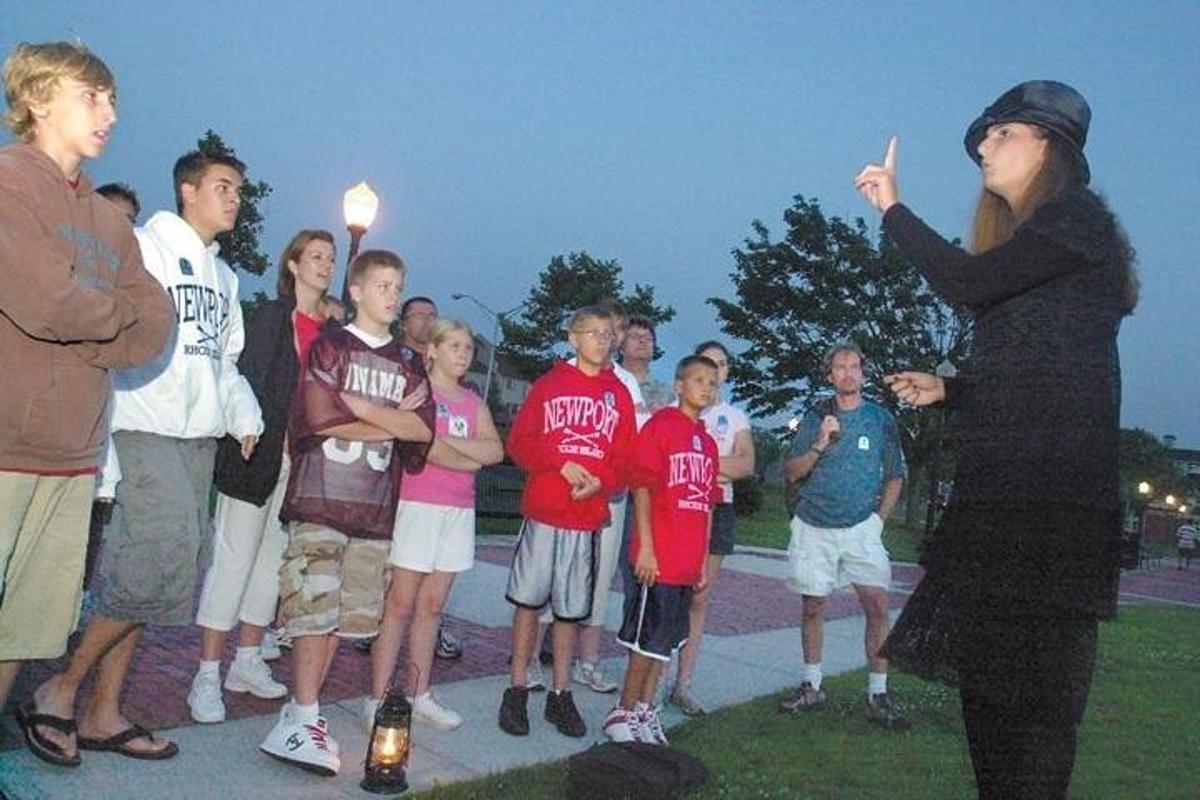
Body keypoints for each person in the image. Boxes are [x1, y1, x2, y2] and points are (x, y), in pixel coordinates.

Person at [856, 80, 1138, 797]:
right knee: (991, 709)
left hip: (1050, 519)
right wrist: (954, 388)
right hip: (1001, 507)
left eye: (1003, 133)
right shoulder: (1043, 250)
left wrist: (893, 208)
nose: (984, 145)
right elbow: (1047, 381)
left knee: (1035, 724)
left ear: (1053, 148)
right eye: (985, 136)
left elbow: (965, 281)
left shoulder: (1079, 222)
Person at [29, 147, 262, 763]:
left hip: (198, 439)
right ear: (187, 190)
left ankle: (105, 712)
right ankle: (62, 687)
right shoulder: (143, 246)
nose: (235, 198)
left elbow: (224, 359)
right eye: (223, 186)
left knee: (165, 573)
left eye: (239, 189)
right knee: (156, 557)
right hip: (145, 424)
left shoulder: (226, 277)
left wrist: (244, 414)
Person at [0, 41, 173, 767]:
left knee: (22, 628)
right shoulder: (10, 183)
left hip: (74, 457)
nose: (110, 113)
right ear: (37, 100)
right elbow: (41, 300)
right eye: (91, 97)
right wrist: (107, 320)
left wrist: (92, 326)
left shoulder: (108, 222)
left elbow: (157, 320)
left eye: (112, 101)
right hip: (4, 445)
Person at [259, 249, 434, 775]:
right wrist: (388, 420)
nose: (391, 295)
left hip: (373, 510)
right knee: (312, 613)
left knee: (342, 621)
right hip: (321, 498)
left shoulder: (407, 361)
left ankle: (299, 712)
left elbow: (424, 431)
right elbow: (317, 417)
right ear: (355, 290)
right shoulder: (330, 346)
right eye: (381, 285)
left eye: (397, 286)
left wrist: (355, 407)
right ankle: (305, 716)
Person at [187, 230, 337, 724]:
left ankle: (247, 660)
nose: (325, 265)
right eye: (315, 256)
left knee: (270, 566)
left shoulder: (332, 333)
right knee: (233, 560)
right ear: (292, 265)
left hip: (301, 467)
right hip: (258, 456)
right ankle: (207, 672)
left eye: (331, 259)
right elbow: (246, 379)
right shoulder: (271, 318)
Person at [499, 305, 636, 739]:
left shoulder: (618, 395)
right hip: (544, 510)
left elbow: (627, 461)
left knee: (570, 612)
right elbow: (520, 443)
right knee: (528, 602)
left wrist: (600, 480)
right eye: (590, 332)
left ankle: (561, 693)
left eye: (605, 333)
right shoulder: (549, 385)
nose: (600, 339)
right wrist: (558, 462)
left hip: (586, 516)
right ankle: (517, 687)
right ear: (572, 338)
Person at [365, 319, 503, 731]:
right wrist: (465, 454)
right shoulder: (418, 393)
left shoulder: (472, 401)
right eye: (454, 346)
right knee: (400, 605)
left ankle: (419, 693)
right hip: (417, 506)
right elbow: (420, 447)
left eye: (467, 348)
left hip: (458, 512)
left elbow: (494, 451)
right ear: (433, 350)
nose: (463, 353)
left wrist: (450, 447)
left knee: (432, 607)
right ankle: (377, 697)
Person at [777, 343, 908, 729]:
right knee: (813, 606)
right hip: (814, 525)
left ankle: (878, 695)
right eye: (840, 367)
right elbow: (792, 472)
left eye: (854, 366)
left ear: (863, 372)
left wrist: (878, 522)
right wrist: (820, 441)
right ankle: (812, 686)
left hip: (860, 530)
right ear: (830, 375)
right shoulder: (814, 417)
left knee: (877, 607)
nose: (848, 373)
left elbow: (895, 474)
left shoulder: (881, 419)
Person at [603, 355, 721, 745]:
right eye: (698, 380)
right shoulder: (661, 427)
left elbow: (705, 505)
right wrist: (646, 548)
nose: (706, 387)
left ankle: (644, 710)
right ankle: (622, 710)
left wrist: (702, 560)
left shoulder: (706, 441)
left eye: (712, 382)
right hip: (660, 558)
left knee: (665, 645)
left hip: (687, 562)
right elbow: (641, 487)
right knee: (645, 643)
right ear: (679, 386)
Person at [356, 294, 463, 660]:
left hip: (438, 488)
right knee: (392, 565)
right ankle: (374, 624)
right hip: (392, 474)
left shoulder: (446, 371)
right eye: (420, 315)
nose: (427, 320)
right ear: (404, 322)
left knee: (434, 575)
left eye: (433, 315)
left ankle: (433, 631)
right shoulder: (394, 362)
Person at [667, 340, 754, 715]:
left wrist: (700, 458)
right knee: (669, 595)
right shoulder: (672, 412)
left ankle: (683, 683)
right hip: (676, 509)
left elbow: (746, 465)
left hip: (717, 510)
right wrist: (718, 460)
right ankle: (651, 678)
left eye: (721, 365)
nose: (714, 372)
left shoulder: (735, 418)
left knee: (699, 598)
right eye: (707, 364)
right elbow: (667, 460)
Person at [616, 316, 676, 601]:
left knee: (637, 568)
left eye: (648, 338)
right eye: (635, 336)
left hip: (645, 491)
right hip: (608, 484)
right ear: (620, 344)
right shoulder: (608, 382)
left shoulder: (667, 394)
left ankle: (636, 635)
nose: (642, 341)